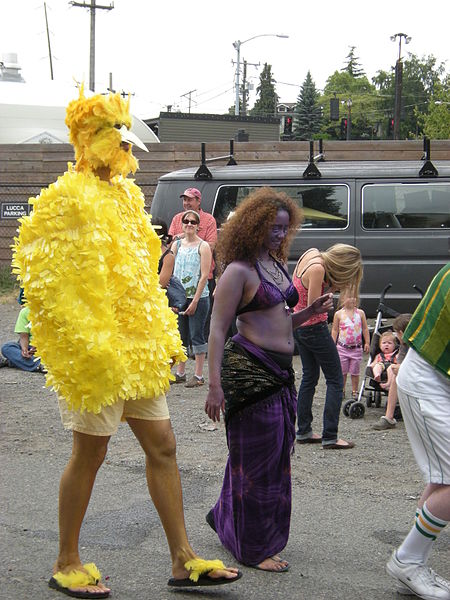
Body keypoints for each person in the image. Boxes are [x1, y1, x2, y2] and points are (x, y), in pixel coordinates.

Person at [12, 87, 241, 599]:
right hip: (96, 356)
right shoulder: (63, 197)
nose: (119, 141)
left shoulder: (127, 197)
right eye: (104, 132)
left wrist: (160, 333)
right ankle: (66, 561)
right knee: (90, 454)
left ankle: (183, 559)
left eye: (121, 131)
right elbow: (36, 269)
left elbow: (143, 277)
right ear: (81, 139)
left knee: (163, 445)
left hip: (138, 351)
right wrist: (77, 342)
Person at [204, 187, 334, 572]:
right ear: (255, 226)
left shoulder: (275, 264)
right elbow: (217, 329)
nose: (280, 235)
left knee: (274, 457)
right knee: (256, 463)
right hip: (249, 373)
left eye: (284, 228)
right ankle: (254, 547)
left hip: (280, 375)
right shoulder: (238, 271)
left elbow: (277, 320)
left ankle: (225, 520)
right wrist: (214, 385)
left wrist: (308, 311)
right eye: (273, 229)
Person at [385, 263, 450, 600]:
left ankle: (414, 558)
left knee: (443, 480)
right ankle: (408, 560)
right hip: (427, 380)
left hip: (431, 379)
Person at [293, 244, 363, 449]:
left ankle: (304, 431)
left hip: (299, 327)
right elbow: (315, 308)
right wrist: (331, 292)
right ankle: (330, 435)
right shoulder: (318, 269)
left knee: (309, 377)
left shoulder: (311, 253)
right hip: (314, 328)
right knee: (335, 379)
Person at [169, 188, 217, 339]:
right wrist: (182, 237)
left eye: (190, 200)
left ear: (198, 201)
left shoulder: (209, 220)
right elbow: (171, 242)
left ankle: (198, 351)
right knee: (179, 326)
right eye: (184, 200)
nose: (186, 203)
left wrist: (189, 236)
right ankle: (183, 351)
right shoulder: (177, 218)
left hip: (202, 278)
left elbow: (211, 245)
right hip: (179, 281)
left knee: (200, 324)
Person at [171, 209, 212, 388]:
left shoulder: (203, 246)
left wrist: (195, 300)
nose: (189, 224)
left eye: (193, 222)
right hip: (180, 297)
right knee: (181, 336)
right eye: (186, 221)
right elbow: (171, 273)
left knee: (197, 335)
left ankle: (198, 374)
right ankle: (180, 372)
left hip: (198, 297)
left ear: (198, 226)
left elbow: (204, 275)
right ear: (181, 224)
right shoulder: (177, 245)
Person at [373, 313, 412, 431]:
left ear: (400, 333)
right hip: (411, 373)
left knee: (397, 373)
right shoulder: (404, 345)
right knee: (396, 374)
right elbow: (400, 362)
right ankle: (389, 417)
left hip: (425, 375)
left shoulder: (419, 344)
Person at [331, 293, 370, 399]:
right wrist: (332, 344)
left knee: (355, 372)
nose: (352, 299)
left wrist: (367, 342)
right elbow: (335, 330)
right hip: (342, 348)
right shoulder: (339, 314)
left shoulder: (360, 313)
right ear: (342, 299)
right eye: (349, 296)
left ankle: (354, 391)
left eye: (354, 296)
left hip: (356, 348)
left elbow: (365, 329)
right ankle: (341, 389)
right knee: (342, 371)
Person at [0, 305, 46, 373]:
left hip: (50, 348)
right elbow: (24, 336)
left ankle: (11, 361)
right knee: (7, 347)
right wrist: (25, 349)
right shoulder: (25, 312)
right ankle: (39, 364)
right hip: (31, 348)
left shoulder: (56, 310)